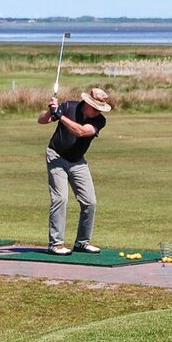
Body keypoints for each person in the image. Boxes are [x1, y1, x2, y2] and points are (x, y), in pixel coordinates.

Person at [38, 87, 112, 255]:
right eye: (95, 108)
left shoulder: (100, 121)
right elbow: (42, 120)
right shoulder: (69, 107)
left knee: (90, 201)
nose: (97, 112)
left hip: (78, 161)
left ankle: (82, 242)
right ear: (87, 103)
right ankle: (56, 244)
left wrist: (60, 116)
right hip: (56, 156)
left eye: (99, 109)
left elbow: (81, 131)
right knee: (60, 199)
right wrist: (51, 111)